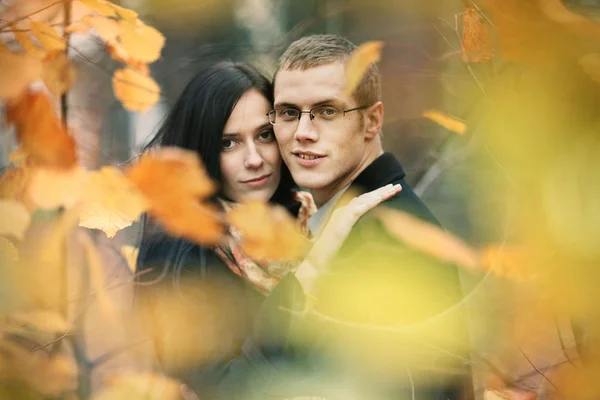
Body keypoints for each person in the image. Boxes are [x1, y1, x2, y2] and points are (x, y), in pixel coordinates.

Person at [214, 35, 472, 400]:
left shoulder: (387, 240)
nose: (303, 133)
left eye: (327, 111)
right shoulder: (343, 227)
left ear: (371, 121)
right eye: (289, 113)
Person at [133, 61, 400, 398]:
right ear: (200, 153)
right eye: (228, 143)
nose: (255, 159)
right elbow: (229, 389)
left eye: (264, 135)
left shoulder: (303, 218)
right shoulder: (182, 252)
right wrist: (310, 272)